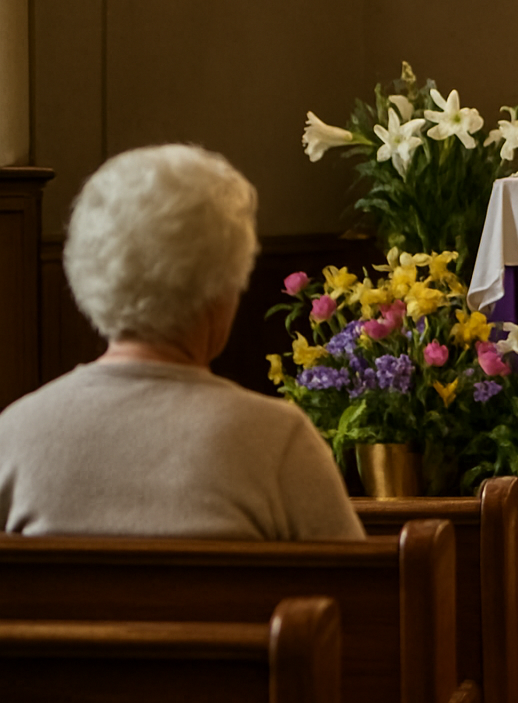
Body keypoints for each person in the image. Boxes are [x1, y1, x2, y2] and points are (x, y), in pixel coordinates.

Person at [0, 144, 364, 540]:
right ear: (221, 293)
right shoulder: (278, 442)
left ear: (87, 276)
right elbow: (355, 596)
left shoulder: (14, 437)